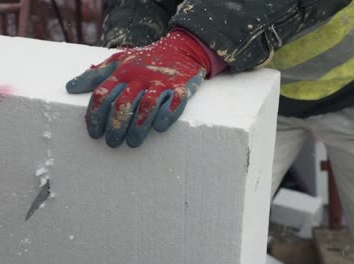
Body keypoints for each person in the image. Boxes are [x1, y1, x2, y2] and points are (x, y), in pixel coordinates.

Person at [65, 0, 354, 236]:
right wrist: (134, 48)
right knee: (217, 230)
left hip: (348, 92)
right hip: (251, 96)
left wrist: (193, 45)